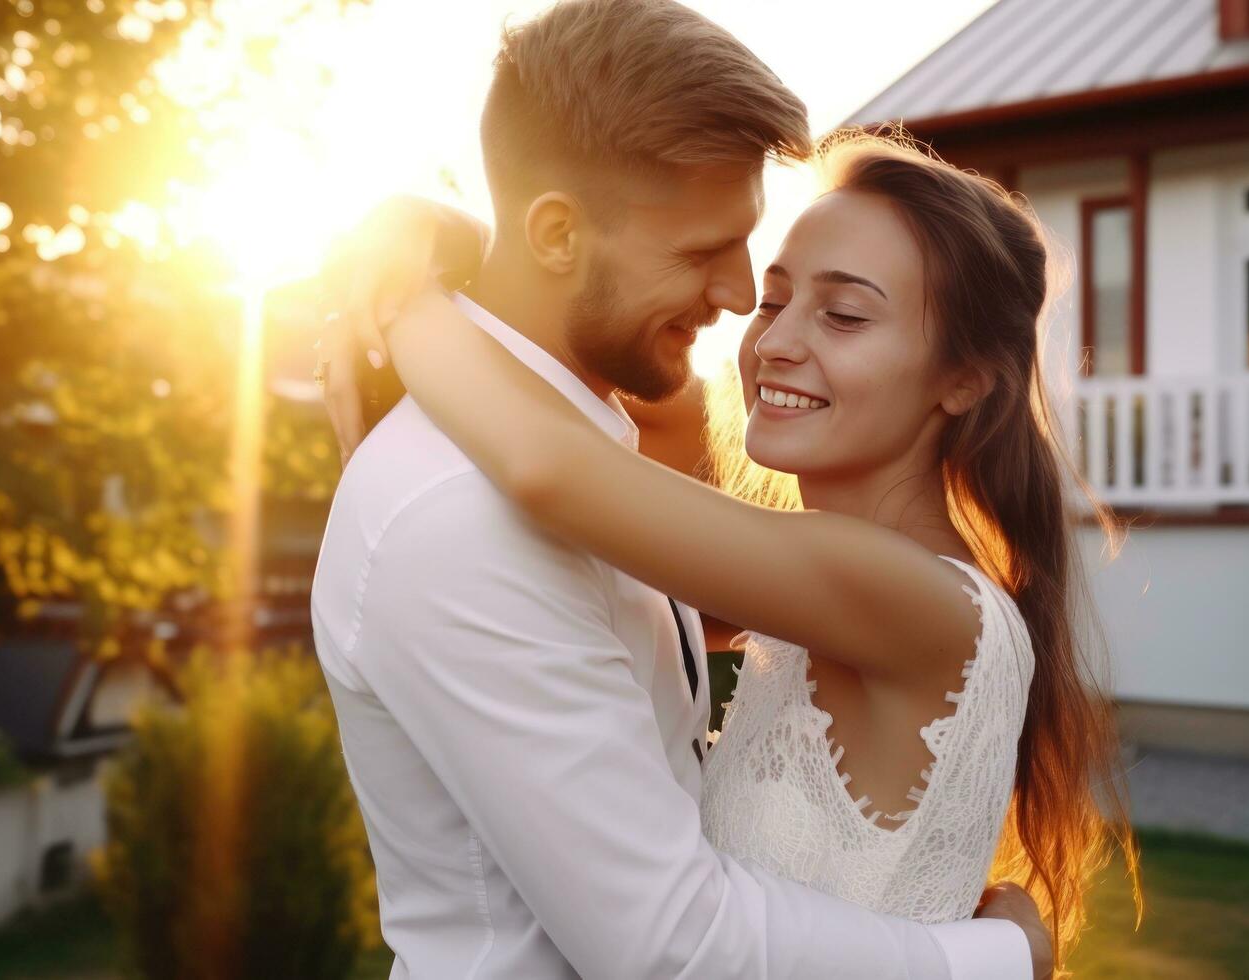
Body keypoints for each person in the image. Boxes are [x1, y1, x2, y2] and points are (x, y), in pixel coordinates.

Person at [310, 2, 1058, 977]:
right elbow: (671, 941)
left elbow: (555, 467)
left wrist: (412, 302)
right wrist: (994, 960)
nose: (747, 301)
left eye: (844, 311)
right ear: (557, 234)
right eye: (717, 254)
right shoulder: (461, 507)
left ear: (965, 377)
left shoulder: (862, 578)